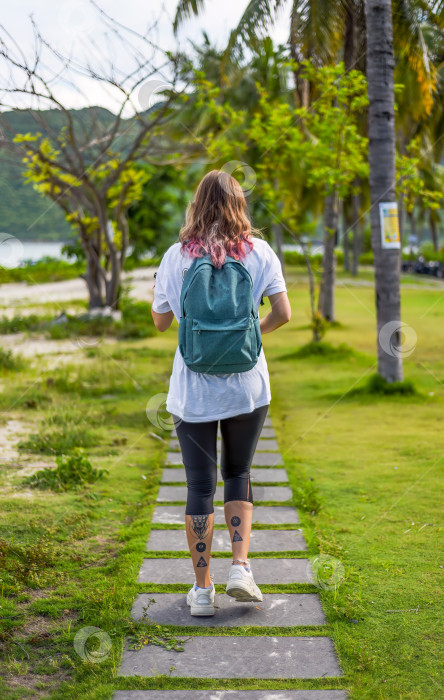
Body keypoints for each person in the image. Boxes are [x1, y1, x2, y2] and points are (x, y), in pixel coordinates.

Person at [151, 170, 291, 616]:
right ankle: (241, 568)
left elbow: (160, 322)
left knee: (198, 485)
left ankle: (203, 591)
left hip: (192, 391)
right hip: (248, 388)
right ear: (238, 204)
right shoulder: (260, 253)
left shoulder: (176, 257)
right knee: (239, 472)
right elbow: (283, 313)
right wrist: (249, 338)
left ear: (196, 205)